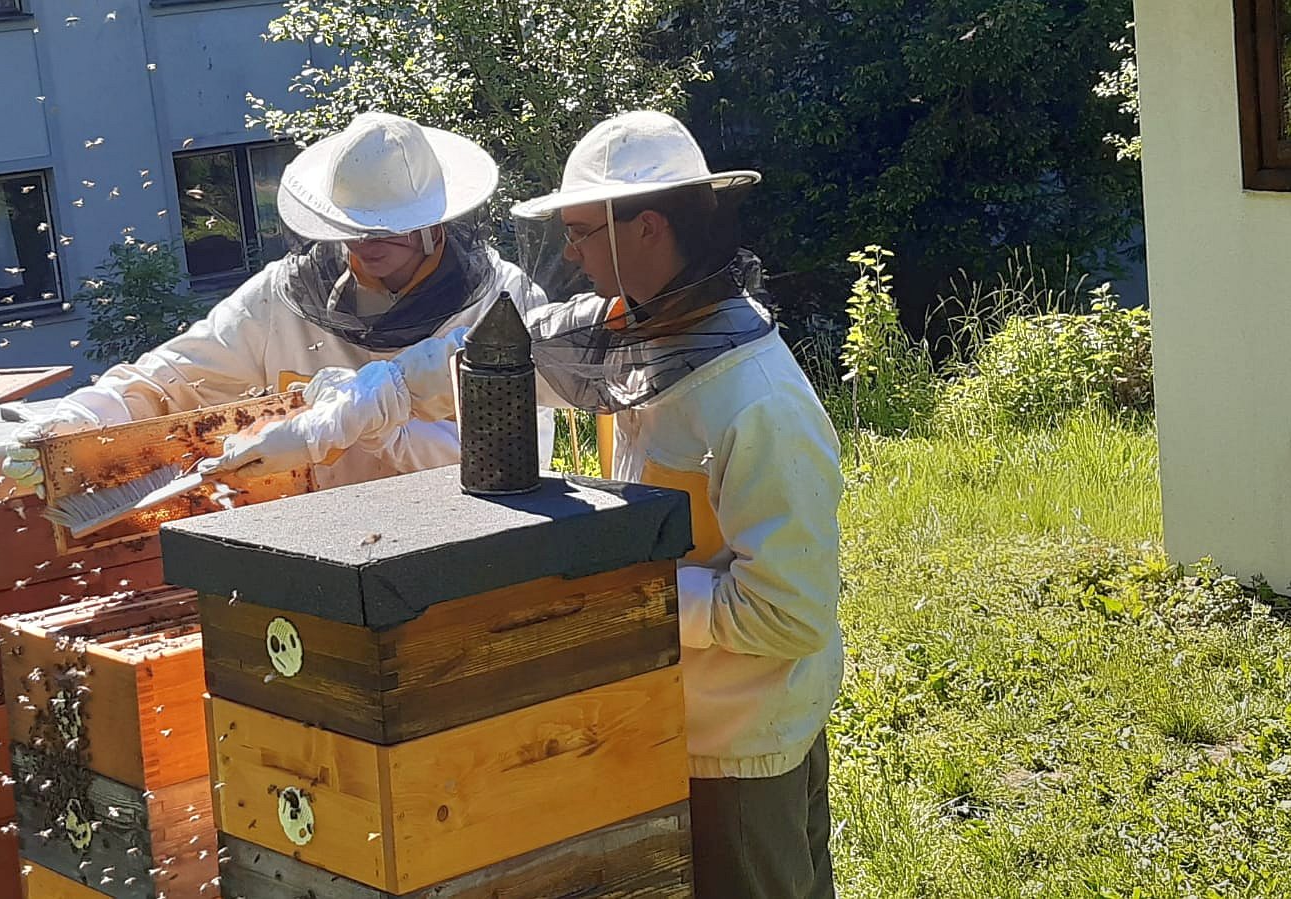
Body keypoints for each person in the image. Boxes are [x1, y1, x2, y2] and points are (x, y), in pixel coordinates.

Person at [212, 110, 843, 898]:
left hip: (739, 741)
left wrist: (615, 583)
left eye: (580, 233)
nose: (569, 254)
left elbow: (788, 614)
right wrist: (329, 422)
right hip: (671, 713)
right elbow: (486, 349)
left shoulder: (758, 401)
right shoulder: (633, 328)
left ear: (646, 228)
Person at [1, 111, 552, 498]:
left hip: (461, 541)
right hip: (314, 541)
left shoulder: (504, 304)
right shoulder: (278, 299)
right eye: (355, 224)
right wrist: (79, 422)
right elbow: (170, 380)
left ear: (437, 220)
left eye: (390, 226)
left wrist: (380, 428)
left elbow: (530, 447)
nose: (367, 241)